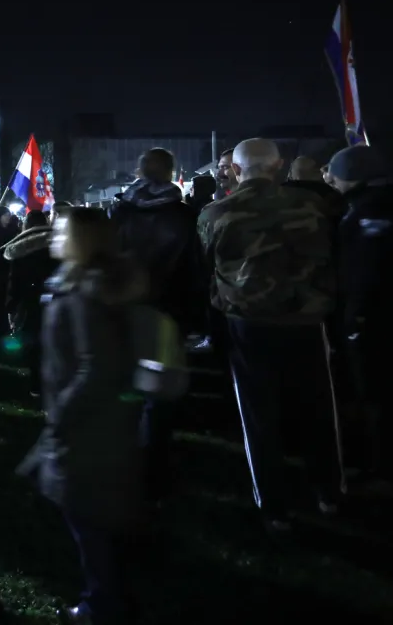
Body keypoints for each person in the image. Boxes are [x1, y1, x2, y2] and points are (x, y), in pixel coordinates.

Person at [198, 139, 343, 532]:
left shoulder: (216, 212)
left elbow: (208, 263)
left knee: (258, 416)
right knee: (317, 410)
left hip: (249, 324)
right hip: (306, 321)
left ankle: (274, 505)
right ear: (278, 165)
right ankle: (329, 491)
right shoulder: (312, 205)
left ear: (235, 169)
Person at [18, 207, 145, 624]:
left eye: (60, 231)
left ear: (81, 241)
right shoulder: (89, 283)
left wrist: (61, 417)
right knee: (96, 518)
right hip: (100, 425)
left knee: (88, 520)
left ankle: (99, 607)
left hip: (87, 429)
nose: (52, 236)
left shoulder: (88, 292)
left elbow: (97, 367)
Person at [108, 147, 206, 500]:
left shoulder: (121, 211)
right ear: (170, 173)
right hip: (167, 312)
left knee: (125, 382)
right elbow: (194, 271)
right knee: (159, 389)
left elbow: (108, 260)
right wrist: (194, 318)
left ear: (139, 171)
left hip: (124, 309)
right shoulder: (182, 215)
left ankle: (125, 458)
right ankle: (153, 462)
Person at [326, 144, 393, 481]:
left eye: (335, 174)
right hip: (372, 313)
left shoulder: (371, 213)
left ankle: (379, 463)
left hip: (372, 318)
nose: (331, 180)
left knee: (375, 390)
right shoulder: (368, 205)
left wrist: (356, 316)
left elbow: (364, 272)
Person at [3, 209, 57, 396]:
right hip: (55, 299)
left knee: (33, 344)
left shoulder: (20, 247)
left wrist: (11, 305)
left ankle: (36, 384)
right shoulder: (58, 241)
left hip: (29, 303)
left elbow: (14, 280)